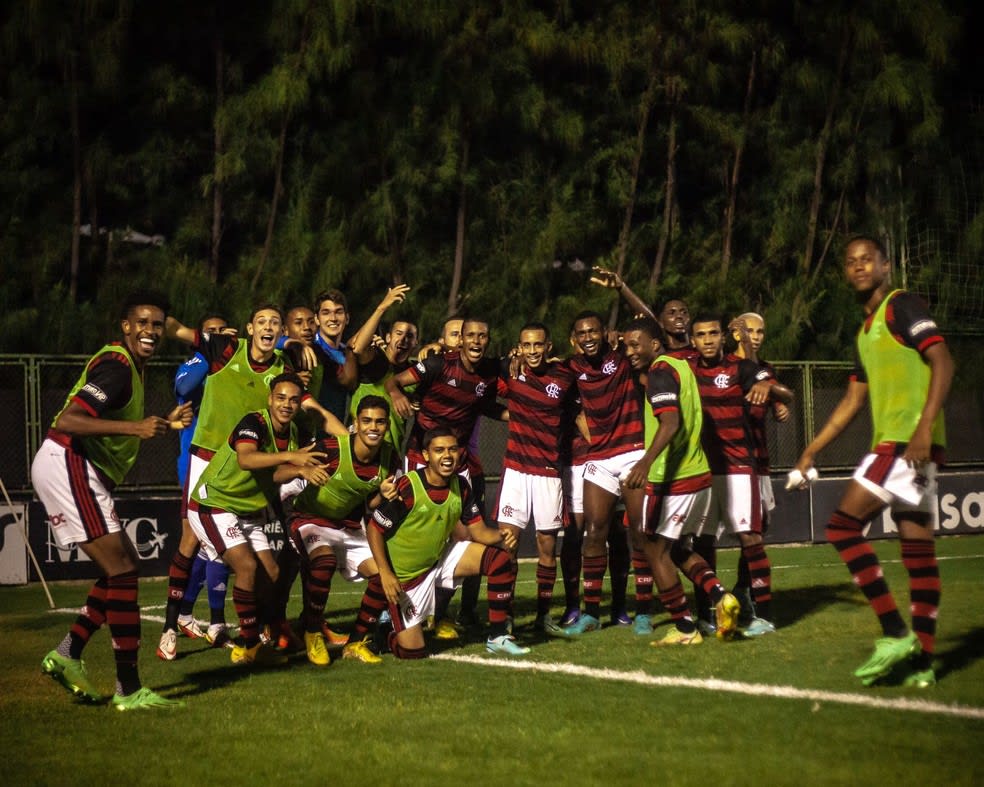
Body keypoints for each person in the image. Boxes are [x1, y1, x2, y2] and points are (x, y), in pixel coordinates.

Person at [792, 235, 952, 688]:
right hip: (906, 443)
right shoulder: (865, 331)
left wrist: (923, 427)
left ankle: (895, 632)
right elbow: (851, 400)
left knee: (841, 527)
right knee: (917, 551)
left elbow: (943, 361)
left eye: (868, 260)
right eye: (851, 262)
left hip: (904, 442)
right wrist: (810, 449)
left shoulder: (902, 306)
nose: (859, 267)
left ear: (885, 266)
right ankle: (923, 665)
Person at [33, 290, 191, 710]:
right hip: (69, 461)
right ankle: (127, 689)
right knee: (123, 570)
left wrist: (162, 424)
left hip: (74, 467)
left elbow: (119, 420)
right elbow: (69, 419)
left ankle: (68, 653)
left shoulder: (131, 368)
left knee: (122, 571)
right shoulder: (119, 367)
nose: (151, 331)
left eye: (157, 324)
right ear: (126, 326)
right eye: (142, 322)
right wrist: (136, 428)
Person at [158, 304, 341, 660]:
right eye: (262, 322)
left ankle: (265, 628)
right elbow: (176, 328)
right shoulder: (225, 348)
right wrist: (150, 320)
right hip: (210, 457)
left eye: (276, 323)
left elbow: (315, 410)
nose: (269, 327)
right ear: (248, 328)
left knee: (271, 556)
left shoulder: (282, 372)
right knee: (191, 539)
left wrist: (347, 440)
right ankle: (171, 625)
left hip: (252, 463)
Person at [187, 373, 328, 666]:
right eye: (280, 398)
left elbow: (273, 474)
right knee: (247, 566)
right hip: (214, 502)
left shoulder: (291, 432)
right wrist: (293, 458)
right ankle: (251, 646)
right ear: (269, 399)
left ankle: (265, 630)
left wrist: (300, 470)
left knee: (272, 575)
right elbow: (247, 459)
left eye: (292, 400)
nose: (286, 405)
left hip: (244, 509)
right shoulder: (254, 422)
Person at [622, 317, 741, 643]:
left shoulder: (661, 371)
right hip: (698, 474)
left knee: (653, 549)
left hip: (674, 477)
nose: (630, 351)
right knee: (674, 549)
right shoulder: (681, 366)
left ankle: (685, 628)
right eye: (626, 345)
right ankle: (720, 597)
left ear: (655, 344)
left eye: (635, 344)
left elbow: (670, 423)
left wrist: (645, 463)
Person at [385, 316, 507, 634]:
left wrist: (515, 414)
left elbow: (487, 404)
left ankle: (439, 613)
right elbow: (393, 381)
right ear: (461, 340)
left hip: (459, 464)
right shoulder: (438, 364)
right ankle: (391, 608)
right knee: (413, 535)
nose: (477, 341)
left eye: (483, 335)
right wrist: (397, 395)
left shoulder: (491, 371)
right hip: (420, 460)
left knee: (462, 536)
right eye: (470, 335)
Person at [367, 428, 528, 658]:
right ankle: (388, 632)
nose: (447, 456)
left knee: (500, 559)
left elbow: (480, 532)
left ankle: (498, 636)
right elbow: (374, 530)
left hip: (438, 560)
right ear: (425, 455)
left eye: (452, 449)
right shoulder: (408, 487)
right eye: (439, 450)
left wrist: (503, 536)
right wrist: (385, 573)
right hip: (406, 578)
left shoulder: (461, 486)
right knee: (412, 653)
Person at [689, 313, 794, 636]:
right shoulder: (687, 369)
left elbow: (787, 395)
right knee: (703, 542)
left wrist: (768, 386)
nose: (707, 340)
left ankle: (763, 614)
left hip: (738, 468)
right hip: (704, 469)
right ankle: (707, 613)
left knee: (750, 538)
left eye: (713, 333)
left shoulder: (743, 369)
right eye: (701, 335)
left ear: (724, 337)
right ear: (693, 341)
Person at [286, 395, 399, 666]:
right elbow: (285, 469)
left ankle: (356, 642)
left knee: (384, 576)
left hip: (348, 526)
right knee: (323, 561)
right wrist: (303, 470)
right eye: (367, 421)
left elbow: (370, 503)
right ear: (356, 424)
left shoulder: (389, 456)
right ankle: (312, 631)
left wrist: (382, 495)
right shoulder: (330, 448)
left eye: (380, 422)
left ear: (387, 426)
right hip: (310, 519)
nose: (374, 427)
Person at [554, 310, 647, 636]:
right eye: (581, 333)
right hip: (600, 459)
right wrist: (515, 362)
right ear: (574, 339)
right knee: (593, 532)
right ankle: (591, 613)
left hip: (634, 451)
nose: (588, 337)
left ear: (605, 333)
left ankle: (644, 613)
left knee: (638, 533)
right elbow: (541, 373)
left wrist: (624, 292)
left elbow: (653, 331)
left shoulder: (622, 360)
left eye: (593, 331)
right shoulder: (570, 368)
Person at [496, 323, 578, 632]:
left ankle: (544, 616)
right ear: (519, 346)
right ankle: (506, 614)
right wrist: (508, 414)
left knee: (547, 546)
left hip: (547, 473)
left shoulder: (564, 378)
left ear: (548, 347)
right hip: (516, 471)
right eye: (526, 345)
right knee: (508, 545)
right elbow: (486, 393)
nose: (532, 351)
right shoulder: (511, 373)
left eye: (538, 345)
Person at [172, 314, 236, 648]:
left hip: (226, 465)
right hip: (194, 465)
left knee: (211, 544)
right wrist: (209, 351)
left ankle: (188, 615)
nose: (216, 336)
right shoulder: (194, 363)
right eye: (209, 332)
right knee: (192, 540)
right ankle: (177, 619)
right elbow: (184, 387)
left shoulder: (233, 365)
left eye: (220, 332)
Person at [730, 312, 790, 632]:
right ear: (736, 332)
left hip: (759, 461)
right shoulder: (724, 364)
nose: (755, 335)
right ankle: (736, 596)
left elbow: (780, 396)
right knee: (745, 533)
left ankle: (743, 589)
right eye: (748, 330)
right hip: (728, 463)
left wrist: (779, 403)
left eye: (760, 331)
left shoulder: (765, 369)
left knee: (757, 530)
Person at [346, 284, 416, 453]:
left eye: (410, 336)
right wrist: (382, 307)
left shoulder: (415, 373)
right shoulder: (377, 360)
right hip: (358, 449)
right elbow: (357, 348)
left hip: (391, 453)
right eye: (399, 333)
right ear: (388, 337)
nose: (404, 339)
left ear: (416, 343)